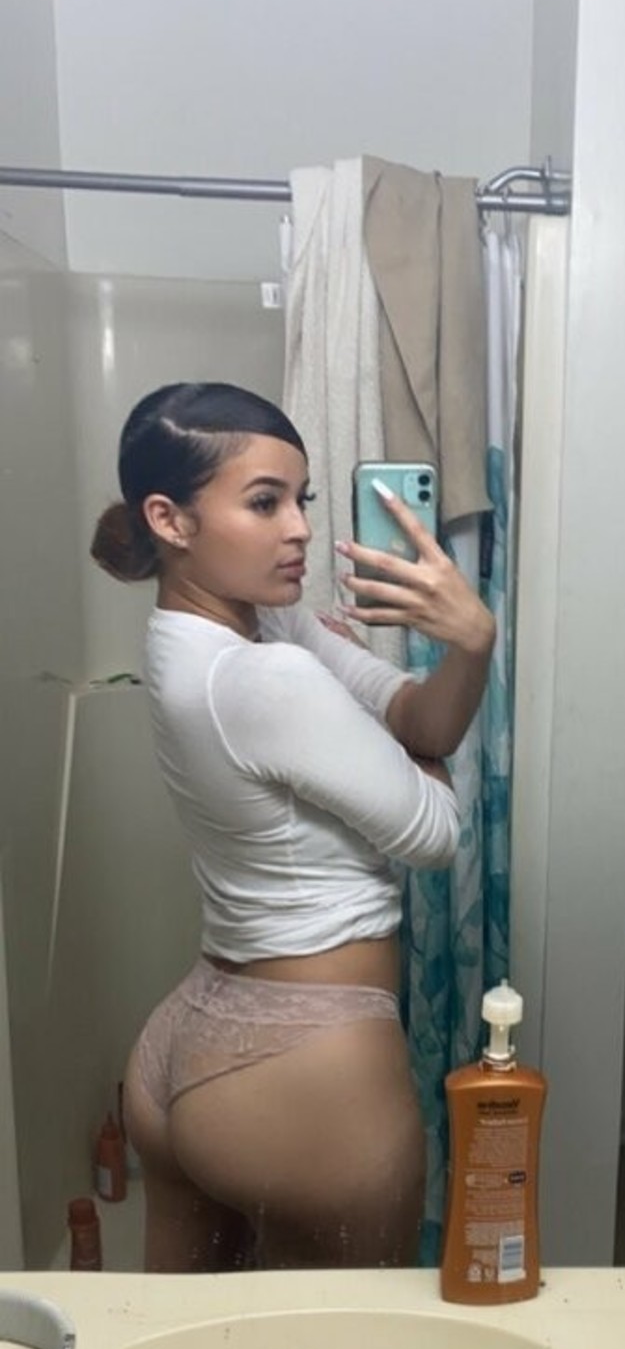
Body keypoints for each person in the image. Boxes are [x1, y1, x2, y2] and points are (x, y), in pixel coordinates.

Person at [91, 382, 494, 1272]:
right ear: (169, 518)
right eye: (265, 502)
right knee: (350, 1348)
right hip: (309, 1070)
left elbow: (416, 717)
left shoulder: (205, 632)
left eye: (301, 500)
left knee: (193, 1346)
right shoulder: (266, 675)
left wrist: (470, 646)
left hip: (190, 1037)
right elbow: (434, 835)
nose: (301, 528)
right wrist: (400, 755)